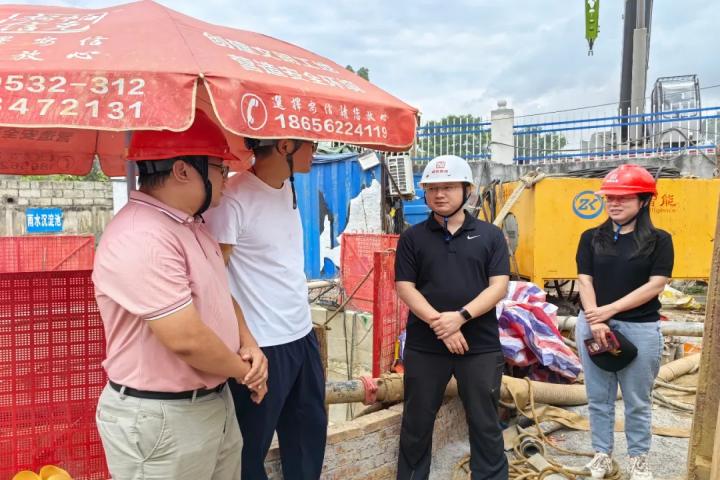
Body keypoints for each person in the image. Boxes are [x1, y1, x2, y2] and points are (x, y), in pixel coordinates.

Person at [92, 110, 267, 480]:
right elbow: (186, 338)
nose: (225, 178)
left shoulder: (192, 226)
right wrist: (246, 373)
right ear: (183, 170)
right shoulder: (142, 236)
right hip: (162, 419)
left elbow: (221, 294)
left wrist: (248, 343)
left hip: (209, 403)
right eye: (219, 167)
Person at [204, 137, 327, 480]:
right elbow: (212, 281)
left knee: (308, 439)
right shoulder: (232, 199)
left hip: (301, 336)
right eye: (311, 145)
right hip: (262, 346)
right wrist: (245, 342)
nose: (315, 152)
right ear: (285, 145)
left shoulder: (288, 187)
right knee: (248, 451)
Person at [394, 154, 510, 479]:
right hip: (425, 346)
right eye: (432, 188)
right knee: (416, 423)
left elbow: (499, 286)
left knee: (485, 423)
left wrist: (460, 318)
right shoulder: (412, 238)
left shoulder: (490, 235)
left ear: (467, 190)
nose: (439, 194)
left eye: (448, 187)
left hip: (479, 346)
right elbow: (405, 287)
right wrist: (441, 325)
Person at [575, 164, 674, 480]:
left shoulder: (659, 240)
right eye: (610, 198)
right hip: (593, 325)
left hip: (639, 329)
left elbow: (655, 285)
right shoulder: (591, 237)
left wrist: (610, 310)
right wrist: (595, 318)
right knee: (598, 397)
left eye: (623, 198)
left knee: (637, 400)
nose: (614, 204)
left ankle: (638, 460)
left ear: (643, 201)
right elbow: (584, 280)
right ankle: (602, 455)